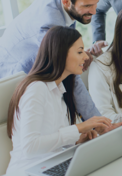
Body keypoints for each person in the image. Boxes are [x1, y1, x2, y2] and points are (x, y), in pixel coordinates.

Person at [0, 0, 107, 121]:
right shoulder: (49, 24)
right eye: (87, 6)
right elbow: (70, 74)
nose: (94, 11)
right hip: (7, 78)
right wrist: (97, 121)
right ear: (66, 1)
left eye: (95, 4)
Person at [6, 26, 115, 173]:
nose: (86, 57)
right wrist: (79, 128)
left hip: (55, 164)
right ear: (61, 53)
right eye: (79, 51)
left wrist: (77, 140)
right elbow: (30, 147)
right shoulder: (36, 89)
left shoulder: (60, 90)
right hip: (29, 170)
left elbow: (53, 139)